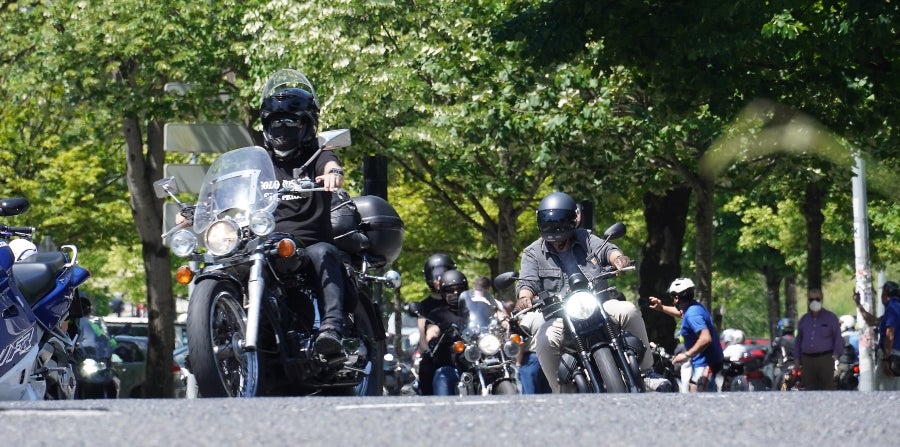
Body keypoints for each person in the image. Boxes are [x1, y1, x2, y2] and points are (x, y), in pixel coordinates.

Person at [513, 191, 668, 392]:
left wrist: (618, 259)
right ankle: (560, 391)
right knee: (543, 342)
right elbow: (527, 281)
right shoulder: (533, 253)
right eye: (549, 223)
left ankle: (647, 372)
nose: (555, 228)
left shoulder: (585, 237)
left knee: (629, 310)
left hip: (598, 303)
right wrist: (524, 297)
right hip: (560, 315)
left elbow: (607, 250)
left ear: (573, 218)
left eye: (559, 222)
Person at [260, 69, 348, 355]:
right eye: (276, 122)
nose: (282, 129)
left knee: (324, 252)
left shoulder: (317, 155)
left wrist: (333, 173)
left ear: (307, 126)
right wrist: (203, 208)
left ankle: (331, 329)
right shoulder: (259, 161)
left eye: (291, 122)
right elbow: (232, 185)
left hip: (307, 245)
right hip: (264, 242)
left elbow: (330, 163)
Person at [648, 278, 724, 392]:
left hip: (706, 365)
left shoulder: (692, 314)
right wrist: (662, 308)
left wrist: (686, 355)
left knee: (699, 400)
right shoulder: (694, 308)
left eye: (672, 297)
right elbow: (680, 314)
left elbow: (705, 338)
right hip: (707, 363)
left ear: (676, 297)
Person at [415, 253, 457, 395]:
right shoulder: (425, 306)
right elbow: (422, 336)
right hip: (438, 353)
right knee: (426, 369)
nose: (440, 278)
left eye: (444, 273)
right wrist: (429, 350)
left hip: (461, 349)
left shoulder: (461, 299)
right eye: (435, 275)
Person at [422, 269, 469, 395]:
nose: (456, 292)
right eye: (450, 290)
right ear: (443, 293)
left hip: (475, 361)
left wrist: (503, 322)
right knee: (443, 376)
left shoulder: (472, 312)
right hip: (451, 364)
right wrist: (433, 336)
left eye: (460, 288)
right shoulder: (437, 314)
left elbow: (491, 317)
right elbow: (432, 330)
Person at [794, 288, 842, 390]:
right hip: (807, 360)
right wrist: (797, 359)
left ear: (822, 300)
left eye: (817, 299)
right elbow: (798, 341)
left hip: (825, 359)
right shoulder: (804, 320)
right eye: (811, 299)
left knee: (827, 389)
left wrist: (835, 356)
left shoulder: (830, 318)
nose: (814, 302)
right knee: (809, 389)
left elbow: (837, 338)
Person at [855, 281, 900, 390]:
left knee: (883, 391)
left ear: (885, 294)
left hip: (892, 354)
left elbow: (890, 334)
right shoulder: (896, 306)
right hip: (894, 354)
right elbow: (874, 322)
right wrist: (859, 305)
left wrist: (886, 359)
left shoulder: (892, 308)